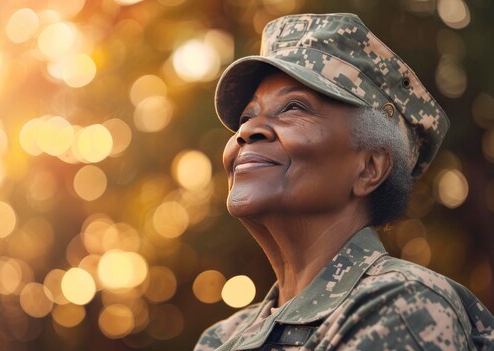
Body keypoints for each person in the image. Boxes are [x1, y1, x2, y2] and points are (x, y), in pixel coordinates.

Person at [194, 13, 494, 351]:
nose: (247, 131)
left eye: (293, 108)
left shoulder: (401, 304)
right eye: (247, 117)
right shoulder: (220, 338)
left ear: (369, 167)